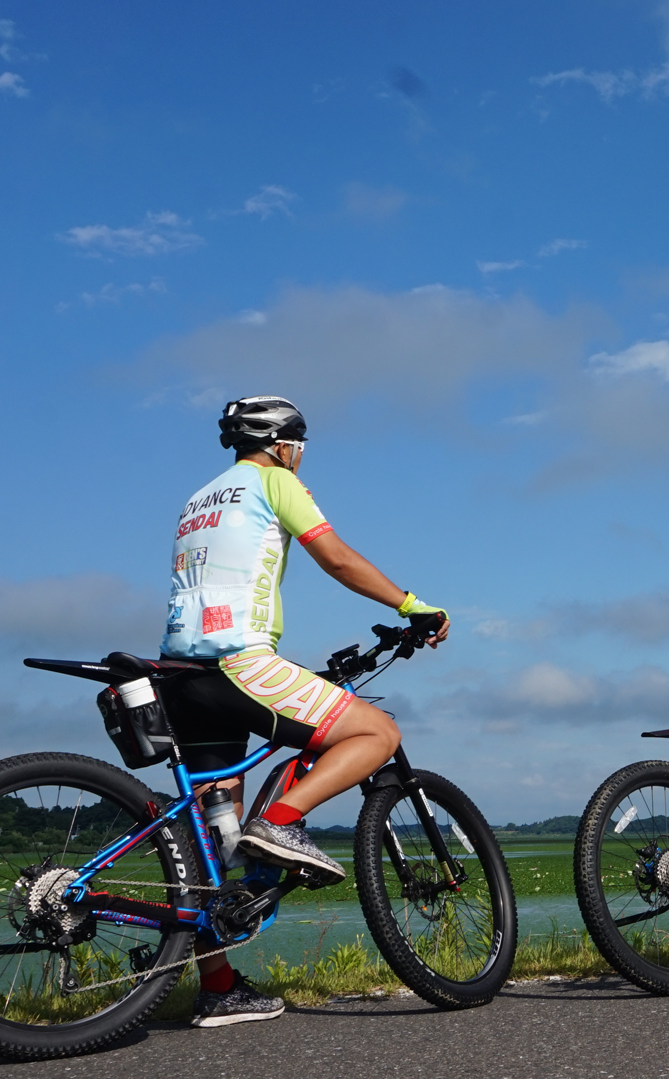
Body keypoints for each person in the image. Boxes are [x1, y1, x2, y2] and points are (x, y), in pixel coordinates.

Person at [159, 396, 450, 1026]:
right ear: (283, 443)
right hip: (239, 660)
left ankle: (220, 988)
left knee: (217, 840)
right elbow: (338, 559)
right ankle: (284, 820)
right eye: (299, 445)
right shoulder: (276, 481)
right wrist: (413, 606)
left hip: (179, 674)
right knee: (376, 730)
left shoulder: (198, 500)